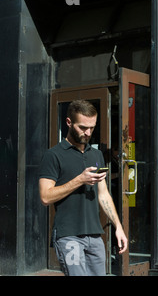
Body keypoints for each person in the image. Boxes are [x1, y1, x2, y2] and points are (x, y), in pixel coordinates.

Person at [39, 100, 128, 276]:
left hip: (95, 235)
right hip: (68, 235)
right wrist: (80, 179)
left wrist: (118, 227)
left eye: (92, 128)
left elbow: (103, 195)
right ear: (68, 122)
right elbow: (45, 197)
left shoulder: (96, 155)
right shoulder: (53, 155)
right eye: (82, 127)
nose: (87, 133)